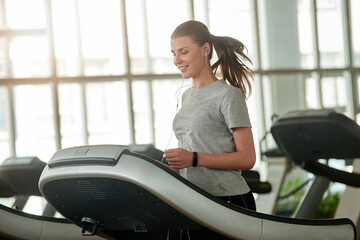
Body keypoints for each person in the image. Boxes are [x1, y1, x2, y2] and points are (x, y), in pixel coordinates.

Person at [163, 20, 256, 214]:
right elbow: (192, 157)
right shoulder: (186, 96)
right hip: (192, 197)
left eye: (183, 52)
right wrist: (167, 167)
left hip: (228, 199)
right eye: (174, 53)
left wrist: (193, 158)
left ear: (205, 49)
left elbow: (247, 158)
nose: (176, 60)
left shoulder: (228, 95)